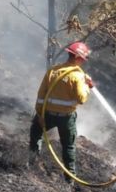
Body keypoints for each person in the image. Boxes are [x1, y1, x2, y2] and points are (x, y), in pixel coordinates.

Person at [29, 41, 94, 183]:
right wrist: (88, 86)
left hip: (47, 114)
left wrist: (39, 115)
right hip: (66, 118)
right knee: (69, 146)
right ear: (77, 57)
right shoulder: (77, 77)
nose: (83, 62)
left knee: (35, 134)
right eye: (83, 59)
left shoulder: (53, 71)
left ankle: (32, 165)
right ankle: (69, 178)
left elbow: (41, 95)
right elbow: (82, 98)